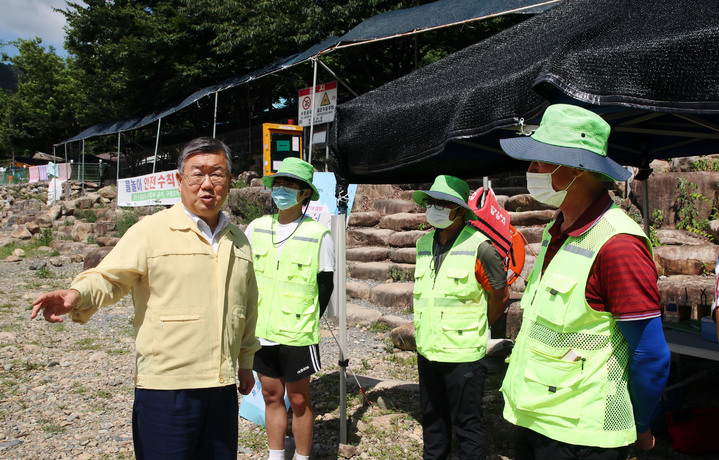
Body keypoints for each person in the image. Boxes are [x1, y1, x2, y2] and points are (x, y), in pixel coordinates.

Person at [30, 137, 260, 459]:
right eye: (197, 174)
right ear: (180, 180)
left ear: (230, 181)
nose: (207, 184)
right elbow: (109, 277)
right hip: (166, 389)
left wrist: (246, 363)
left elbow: (246, 307)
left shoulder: (239, 241)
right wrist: (77, 294)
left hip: (221, 389)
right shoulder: (149, 231)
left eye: (217, 174)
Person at [498, 104, 671, 460]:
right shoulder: (557, 231)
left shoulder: (619, 244)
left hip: (583, 437)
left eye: (540, 161)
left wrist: (639, 426)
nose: (530, 170)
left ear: (577, 169)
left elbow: (650, 355)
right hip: (536, 418)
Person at [411, 175, 509, 460]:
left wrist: (478, 326)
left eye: (443, 203)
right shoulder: (423, 244)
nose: (434, 208)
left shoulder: (481, 247)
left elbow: (499, 295)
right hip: (428, 350)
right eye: (432, 202)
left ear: (458, 210)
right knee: (433, 421)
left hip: (463, 354)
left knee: (468, 426)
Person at [244, 157, 334, 460]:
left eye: (289, 185)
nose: (281, 190)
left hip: (297, 333)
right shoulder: (256, 228)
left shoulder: (318, 234)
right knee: (271, 396)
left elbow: (326, 286)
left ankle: (302, 457)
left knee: (298, 400)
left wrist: (304, 317)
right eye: (278, 184)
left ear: (305, 193)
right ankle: (276, 454)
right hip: (261, 330)